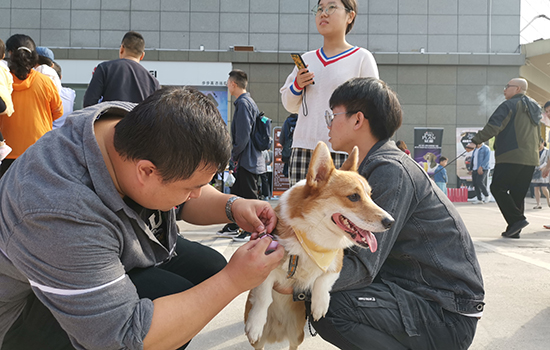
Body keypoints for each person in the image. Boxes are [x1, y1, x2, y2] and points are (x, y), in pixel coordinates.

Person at [0, 86, 284, 350]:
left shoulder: (132, 124)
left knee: (209, 268)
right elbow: (122, 337)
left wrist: (232, 206)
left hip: (105, 247)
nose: (198, 194)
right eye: (192, 188)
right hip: (27, 310)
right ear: (146, 171)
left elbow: (178, 194)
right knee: (175, 293)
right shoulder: (57, 212)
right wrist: (234, 281)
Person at [305, 77, 484, 350]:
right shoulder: (368, 170)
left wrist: (295, 280)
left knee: (328, 302)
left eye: (333, 115)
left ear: (358, 120)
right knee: (320, 290)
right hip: (418, 296)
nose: (328, 124)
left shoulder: (390, 170)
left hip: (445, 312)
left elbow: (363, 267)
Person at [280, 0, 378, 186]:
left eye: (331, 7)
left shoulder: (362, 58)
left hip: (344, 151)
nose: (323, 13)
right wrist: (297, 85)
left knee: (339, 211)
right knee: (301, 212)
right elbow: (289, 104)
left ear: (350, 16)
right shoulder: (307, 59)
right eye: (319, 8)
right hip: (303, 147)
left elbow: (373, 107)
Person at [467, 78, 541, 239]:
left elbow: (494, 125)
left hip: (511, 155)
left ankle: (518, 220)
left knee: (497, 188)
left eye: (507, 86)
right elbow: (539, 136)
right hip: (530, 158)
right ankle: (514, 229)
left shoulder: (510, 105)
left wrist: (475, 140)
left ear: (518, 89)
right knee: (517, 194)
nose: (504, 90)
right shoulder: (535, 107)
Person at [0, 34, 63, 177]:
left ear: (9, 54)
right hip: (39, 151)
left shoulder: (3, 83)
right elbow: (58, 112)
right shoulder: (45, 82)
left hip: (7, 153)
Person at [217, 69, 265, 242]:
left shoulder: (244, 104)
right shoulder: (246, 102)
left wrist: (234, 155)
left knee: (248, 197)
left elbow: (243, 137)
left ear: (233, 84)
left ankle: (254, 229)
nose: (227, 86)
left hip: (247, 160)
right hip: (248, 159)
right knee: (237, 194)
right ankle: (234, 225)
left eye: (228, 83)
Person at [83, 31, 160, 107]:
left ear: (122, 48)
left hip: (110, 118)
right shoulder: (154, 82)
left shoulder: (105, 68)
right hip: (139, 119)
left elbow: (89, 103)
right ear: (142, 55)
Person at [51, 61, 76, 129]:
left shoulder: (41, 94)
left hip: (46, 134)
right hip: (65, 133)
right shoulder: (70, 93)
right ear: (60, 77)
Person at [531, 140, 550, 209]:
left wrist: (542, 167)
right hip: (535, 170)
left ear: (542, 143)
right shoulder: (534, 151)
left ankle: (548, 200)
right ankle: (538, 204)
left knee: (544, 187)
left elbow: (547, 160)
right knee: (536, 187)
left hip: (543, 170)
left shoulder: (547, 151)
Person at [279, 113, 298, 177]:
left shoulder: (287, 122)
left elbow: (281, 140)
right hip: (300, 152)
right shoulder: (303, 120)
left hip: (289, 154)